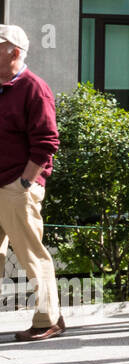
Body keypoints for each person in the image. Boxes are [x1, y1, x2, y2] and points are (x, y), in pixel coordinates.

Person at [0, 25, 63, 342]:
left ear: (14, 51)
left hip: (17, 185)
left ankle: (47, 319)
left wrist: (25, 181)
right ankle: (52, 313)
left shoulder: (35, 88)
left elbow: (47, 141)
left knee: (30, 254)